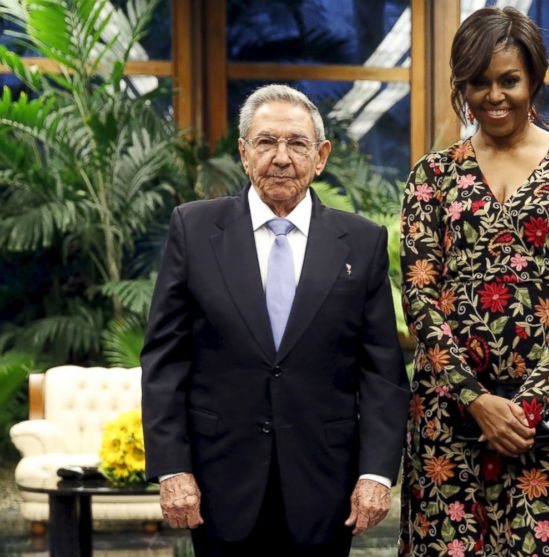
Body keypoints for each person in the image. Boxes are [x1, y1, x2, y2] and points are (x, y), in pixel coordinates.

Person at [141, 84, 411, 556]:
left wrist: (375, 474)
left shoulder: (362, 243)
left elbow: (382, 374)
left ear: (321, 156)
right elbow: (165, 360)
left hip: (325, 488)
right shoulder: (195, 229)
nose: (281, 157)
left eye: (297, 143)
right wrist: (171, 469)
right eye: (266, 142)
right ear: (244, 154)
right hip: (218, 485)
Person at [398, 7, 549, 556]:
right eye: (479, 82)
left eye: (508, 80)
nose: (493, 95)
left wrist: (527, 406)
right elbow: (421, 297)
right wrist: (476, 400)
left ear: (534, 80)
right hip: (449, 421)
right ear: (462, 86)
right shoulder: (432, 177)